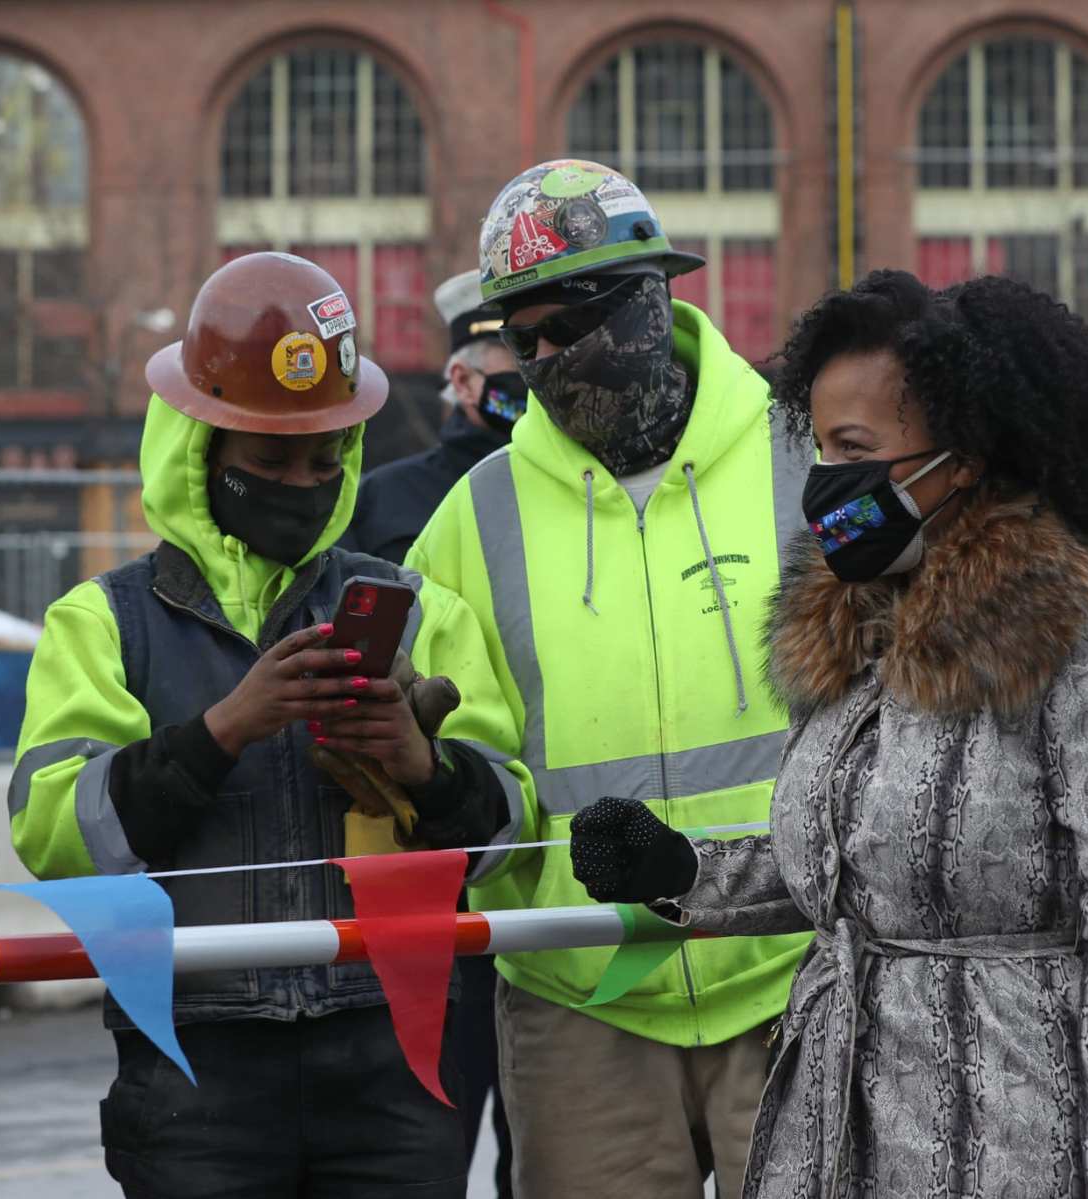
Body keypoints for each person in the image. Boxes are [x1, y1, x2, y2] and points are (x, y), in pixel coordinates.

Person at [571, 270, 1088, 1197]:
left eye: (854, 447)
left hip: (1013, 1136)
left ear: (964, 457)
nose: (828, 482)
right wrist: (683, 873)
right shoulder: (845, 625)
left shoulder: (1084, 628)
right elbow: (855, 867)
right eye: (819, 446)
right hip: (831, 1123)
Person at [10, 251, 531, 1199]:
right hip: (194, 1070)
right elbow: (55, 833)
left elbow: (507, 835)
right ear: (197, 450)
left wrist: (422, 767)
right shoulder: (102, 622)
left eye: (325, 457)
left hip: (395, 1060)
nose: (303, 480)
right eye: (271, 460)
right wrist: (223, 731)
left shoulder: (420, 612)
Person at [405, 158, 813, 1199]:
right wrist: (424, 771)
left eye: (565, 324)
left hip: (799, 970)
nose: (540, 359)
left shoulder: (805, 462)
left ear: (648, 298)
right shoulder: (474, 516)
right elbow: (478, 785)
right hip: (581, 992)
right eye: (519, 337)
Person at [341, 267, 520, 1196]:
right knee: (428, 1148)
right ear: (460, 379)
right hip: (427, 874)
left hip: (528, 848)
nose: (521, 387)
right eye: (505, 370)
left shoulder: (558, 489)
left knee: (543, 1156)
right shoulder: (385, 500)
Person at [342, 269, 523, 564]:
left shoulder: (587, 483)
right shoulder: (384, 498)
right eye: (517, 372)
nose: (533, 386)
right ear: (462, 382)